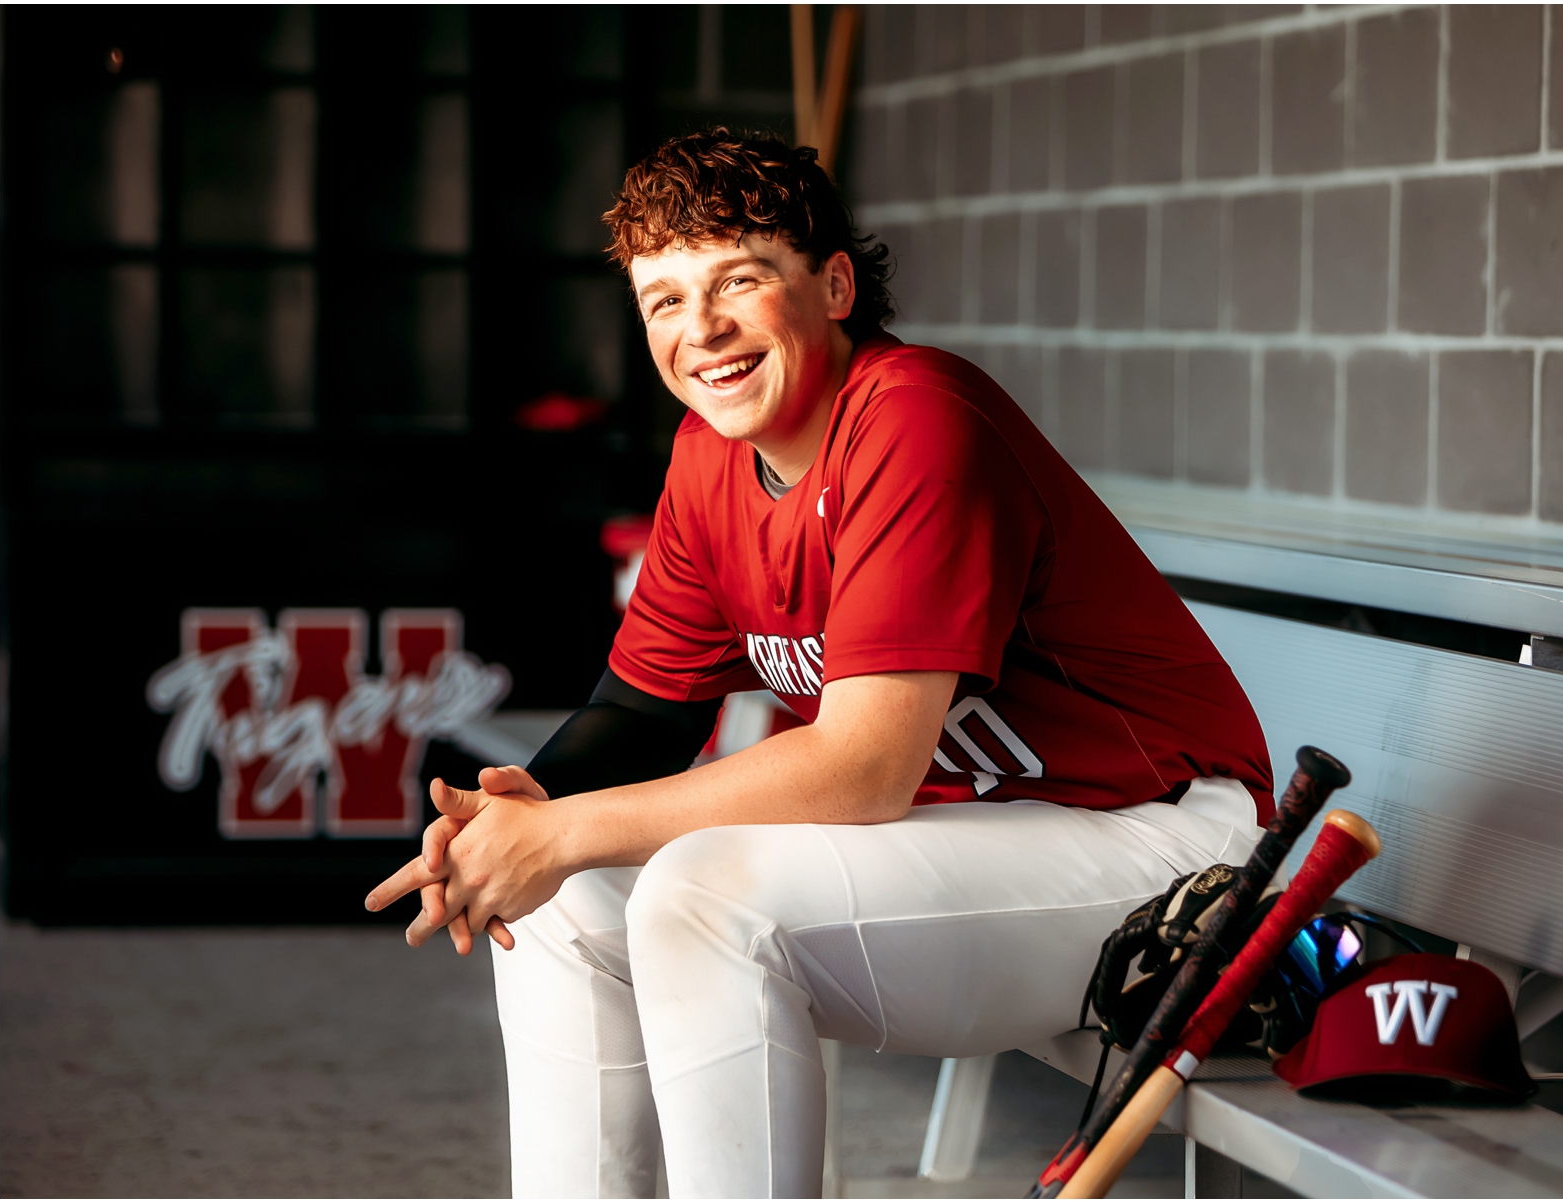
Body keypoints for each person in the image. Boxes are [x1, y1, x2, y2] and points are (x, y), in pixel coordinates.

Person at [366, 129, 1274, 1199]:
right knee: (566, 896)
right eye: (664, 299)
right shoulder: (710, 456)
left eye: (738, 281)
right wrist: (513, 824)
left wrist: (564, 828)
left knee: (704, 896)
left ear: (834, 284)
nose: (701, 329)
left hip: (1161, 844)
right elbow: (642, 712)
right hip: (988, 832)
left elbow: (863, 768)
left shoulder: (916, 417)